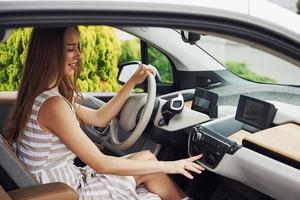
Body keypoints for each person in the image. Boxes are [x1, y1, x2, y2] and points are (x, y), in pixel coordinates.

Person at [4, 26, 205, 200]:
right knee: (153, 167)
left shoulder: (43, 95)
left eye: (79, 48)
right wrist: (168, 166)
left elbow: (100, 119)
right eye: (71, 49)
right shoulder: (54, 105)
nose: (79, 56)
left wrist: (131, 83)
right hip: (69, 192)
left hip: (65, 183)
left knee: (147, 159)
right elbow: (101, 164)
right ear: (49, 53)